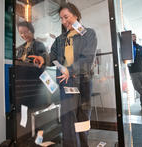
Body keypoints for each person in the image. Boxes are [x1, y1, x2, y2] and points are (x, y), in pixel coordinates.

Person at [29, 2, 97, 147]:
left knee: (83, 119)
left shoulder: (89, 33)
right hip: (67, 81)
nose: (64, 21)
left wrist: (70, 70)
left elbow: (88, 58)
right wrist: (43, 58)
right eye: (61, 18)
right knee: (68, 119)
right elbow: (52, 56)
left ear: (76, 15)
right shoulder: (60, 39)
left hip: (83, 80)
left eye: (66, 17)